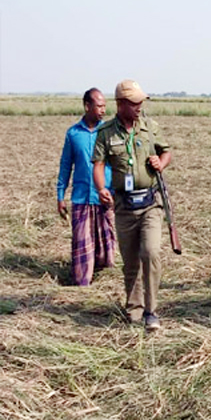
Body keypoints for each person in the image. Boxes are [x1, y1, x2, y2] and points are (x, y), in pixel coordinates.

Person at [93, 80, 172, 330]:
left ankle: (151, 310)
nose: (140, 107)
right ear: (121, 104)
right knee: (130, 262)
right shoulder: (106, 133)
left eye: (141, 102)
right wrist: (101, 188)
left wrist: (161, 162)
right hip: (125, 206)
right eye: (135, 103)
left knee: (151, 252)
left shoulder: (150, 128)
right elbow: (98, 164)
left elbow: (166, 152)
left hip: (151, 203)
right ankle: (134, 308)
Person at [57, 88, 116, 286]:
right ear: (87, 106)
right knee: (82, 243)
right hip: (81, 197)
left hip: (106, 197)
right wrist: (60, 195)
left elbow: (119, 163)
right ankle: (82, 283)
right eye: (99, 106)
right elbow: (66, 166)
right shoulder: (73, 134)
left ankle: (104, 278)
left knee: (105, 244)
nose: (103, 110)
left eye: (104, 106)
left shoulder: (109, 131)